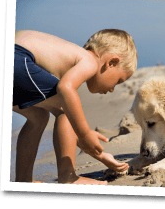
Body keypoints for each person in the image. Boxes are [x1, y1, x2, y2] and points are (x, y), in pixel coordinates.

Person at [13, 29, 137, 185]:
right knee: (65, 108)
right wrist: (85, 133)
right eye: (118, 81)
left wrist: (101, 155)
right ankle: (68, 177)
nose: (112, 89)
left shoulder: (70, 59)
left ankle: (23, 180)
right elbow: (65, 88)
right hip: (17, 58)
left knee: (38, 117)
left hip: (15, 55)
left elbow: (71, 129)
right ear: (111, 62)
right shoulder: (90, 61)